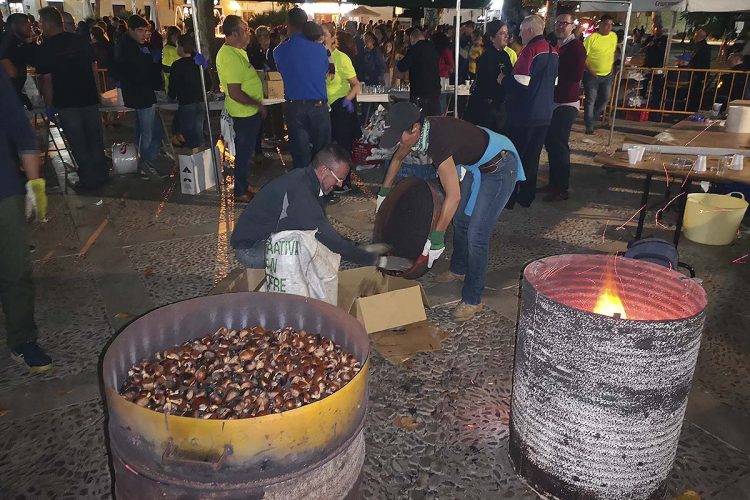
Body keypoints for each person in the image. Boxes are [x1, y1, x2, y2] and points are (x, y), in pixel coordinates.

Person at [376, 102, 524, 322]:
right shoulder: (416, 133)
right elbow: (397, 158)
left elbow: (452, 196)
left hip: (500, 166)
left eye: (400, 136)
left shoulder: (438, 142)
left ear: (415, 128)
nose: (399, 141)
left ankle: (473, 299)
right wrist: (384, 193)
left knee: (477, 235)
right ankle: (459, 268)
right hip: (477, 164)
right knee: (461, 220)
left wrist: (436, 239)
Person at [231, 144, 398, 269]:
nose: (339, 185)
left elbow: (325, 229)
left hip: (266, 238)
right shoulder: (302, 194)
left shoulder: (307, 180)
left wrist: (359, 248)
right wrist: (376, 261)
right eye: (338, 178)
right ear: (324, 170)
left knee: (315, 243)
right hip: (251, 249)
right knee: (314, 251)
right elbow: (329, 240)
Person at [0, 66, 53, 372]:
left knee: (15, 269)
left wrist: (35, 185)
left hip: (4, 188)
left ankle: (22, 339)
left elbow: (20, 129)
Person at [36, 7, 110, 192]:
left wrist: (49, 104)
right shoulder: (80, 41)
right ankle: (101, 174)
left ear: (46, 23)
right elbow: (93, 67)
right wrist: (97, 92)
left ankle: (88, 179)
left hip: (66, 101)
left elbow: (46, 79)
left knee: (78, 142)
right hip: (88, 97)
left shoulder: (46, 48)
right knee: (94, 138)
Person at [502, 14, 558, 208]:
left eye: (521, 31)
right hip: (544, 114)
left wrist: (503, 79)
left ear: (530, 31)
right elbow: (554, 82)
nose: (519, 34)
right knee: (532, 158)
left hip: (524, 115)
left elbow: (520, 83)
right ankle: (526, 197)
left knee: (514, 157)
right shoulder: (553, 50)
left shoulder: (530, 50)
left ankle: (508, 199)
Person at [216, 15, 265, 203]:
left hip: (247, 112)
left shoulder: (237, 51)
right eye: (245, 30)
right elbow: (235, 92)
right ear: (235, 33)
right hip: (243, 113)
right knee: (243, 153)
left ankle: (243, 184)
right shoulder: (229, 55)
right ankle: (240, 192)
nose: (249, 33)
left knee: (246, 152)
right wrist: (257, 104)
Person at [274, 8, 330, 170]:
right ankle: (321, 191)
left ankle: (302, 190)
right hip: (319, 106)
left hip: (295, 106)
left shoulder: (280, 51)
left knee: (300, 155)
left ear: (288, 25)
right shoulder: (320, 50)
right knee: (322, 155)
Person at [541, 13, 587, 203]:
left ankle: (562, 188)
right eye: (558, 23)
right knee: (551, 143)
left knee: (559, 144)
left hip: (566, 102)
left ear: (572, 27)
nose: (560, 26)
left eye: (564, 23)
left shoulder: (575, 47)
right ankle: (554, 183)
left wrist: (556, 73)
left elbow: (576, 75)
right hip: (553, 100)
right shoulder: (556, 45)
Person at [115, 15, 164, 174]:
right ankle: (145, 163)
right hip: (141, 94)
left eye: (145, 31)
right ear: (131, 30)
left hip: (140, 92)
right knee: (147, 130)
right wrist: (149, 59)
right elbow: (140, 71)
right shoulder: (129, 48)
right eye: (140, 31)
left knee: (145, 128)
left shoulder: (132, 45)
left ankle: (144, 159)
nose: (144, 34)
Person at [464, 20, 512, 133]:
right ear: (492, 37)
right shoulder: (486, 57)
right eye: (501, 33)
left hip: (500, 107)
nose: (506, 36)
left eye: (506, 33)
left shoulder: (506, 55)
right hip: (486, 110)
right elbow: (484, 82)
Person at [168, 34, 207, 150]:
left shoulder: (177, 65)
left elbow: (173, 85)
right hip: (200, 101)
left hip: (186, 102)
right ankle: (201, 154)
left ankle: (195, 157)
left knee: (190, 133)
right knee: (198, 130)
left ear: (180, 48)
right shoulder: (198, 63)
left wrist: (171, 96)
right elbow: (207, 83)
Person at [582, 15, 617, 134]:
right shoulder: (591, 38)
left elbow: (611, 52)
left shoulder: (613, 36)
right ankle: (589, 125)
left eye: (611, 25)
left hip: (607, 74)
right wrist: (590, 69)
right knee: (590, 99)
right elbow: (583, 56)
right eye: (607, 24)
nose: (609, 27)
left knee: (605, 98)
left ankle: (593, 118)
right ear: (601, 25)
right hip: (592, 74)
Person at [397, 27, 441, 117]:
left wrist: (399, 59)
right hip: (435, 89)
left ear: (413, 39)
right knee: (432, 118)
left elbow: (402, 66)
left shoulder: (415, 49)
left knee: (419, 118)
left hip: (420, 91)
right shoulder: (432, 47)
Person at [0, 13, 36, 109]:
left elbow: (33, 59)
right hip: (9, 94)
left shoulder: (20, 41)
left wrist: (32, 43)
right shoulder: (8, 40)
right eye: (25, 23)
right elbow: (5, 61)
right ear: (14, 26)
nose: (29, 26)